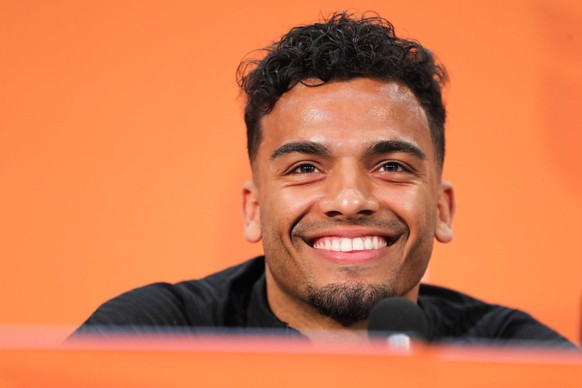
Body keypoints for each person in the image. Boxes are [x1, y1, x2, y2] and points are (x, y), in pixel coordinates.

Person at [73, 12, 575, 348]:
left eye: (392, 166)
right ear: (252, 209)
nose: (350, 199)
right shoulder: (151, 339)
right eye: (306, 168)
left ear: (442, 210)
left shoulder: (515, 357)